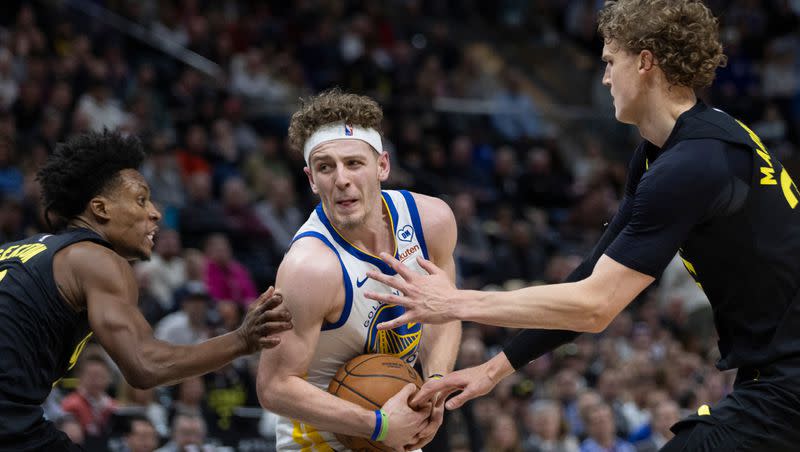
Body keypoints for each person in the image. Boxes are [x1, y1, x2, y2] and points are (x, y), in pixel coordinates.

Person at [364, 0, 800, 450]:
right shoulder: (676, 149)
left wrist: (455, 303)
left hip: (786, 384)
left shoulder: (690, 164)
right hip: (774, 381)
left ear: (645, 62)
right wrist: (493, 369)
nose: (606, 77)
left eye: (611, 62)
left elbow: (595, 307)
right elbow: (590, 280)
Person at [0, 130, 293, 451]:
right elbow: (144, 365)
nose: (155, 212)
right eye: (141, 199)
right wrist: (241, 339)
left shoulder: (17, 250)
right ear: (100, 209)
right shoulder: (98, 259)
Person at [256, 89, 462, 451]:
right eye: (325, 167)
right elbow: (273, 386)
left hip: (397, 431)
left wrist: (436, 384)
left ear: (382, 165)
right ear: (310, 179)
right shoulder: (310, 268)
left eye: (354, 163)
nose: (341, 179)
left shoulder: (432, 222)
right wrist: (378, 424)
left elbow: (445, 314)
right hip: (322, 442)